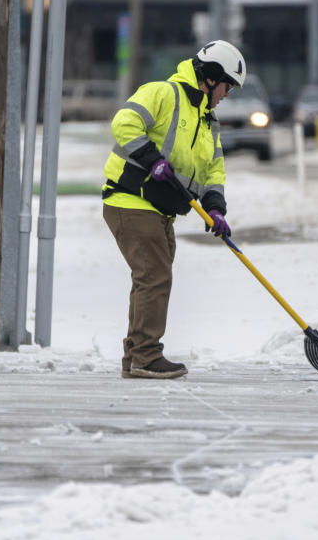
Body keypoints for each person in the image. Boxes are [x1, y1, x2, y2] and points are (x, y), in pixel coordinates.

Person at [101, 39, 245, 379]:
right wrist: (152, 160)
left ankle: (135, 357)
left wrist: (216, 208)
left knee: (149, 279)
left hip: (161, 209)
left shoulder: (209, 121)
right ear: (210, 77)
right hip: (131, 199)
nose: (227, 94)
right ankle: (146, 356)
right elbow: (123, 123)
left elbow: (214, 170)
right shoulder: (163, 93)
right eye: (227, 86)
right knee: (154, 276)